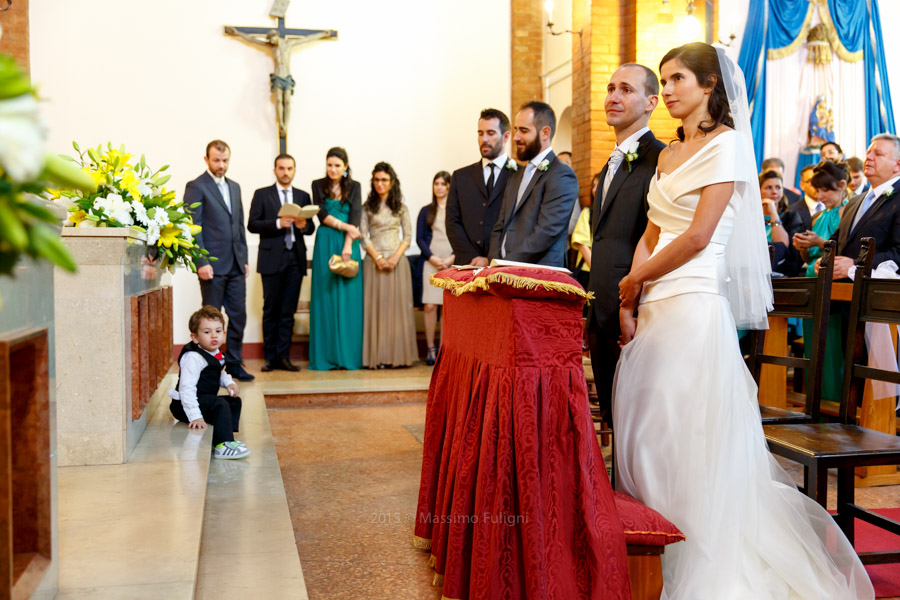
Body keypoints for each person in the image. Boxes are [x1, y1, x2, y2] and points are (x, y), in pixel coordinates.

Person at [614, 42, 873, 598]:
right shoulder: (664, 156)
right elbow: (652, 232)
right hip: (654, 308)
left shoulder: (728, 146)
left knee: (683, 434)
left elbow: (698, 235)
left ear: (709, 86)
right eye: (664, 79)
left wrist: (635, 281)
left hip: (692, 307)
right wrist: (630, 301)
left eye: (678, 78)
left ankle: (696, 554)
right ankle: (652, 553)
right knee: (646, 436)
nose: (669, 89)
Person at [586, 63, 665, 418]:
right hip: (602, 300)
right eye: (610, 88)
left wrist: (632, 303)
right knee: (612, 410)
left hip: (636, 304)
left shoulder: (659, 158)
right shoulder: (610, 162)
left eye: (626, 90)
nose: (613, 97)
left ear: (652, 102)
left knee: (638, 415)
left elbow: (657, 235)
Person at [184, 140, 254, 381]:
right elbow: (192, 227)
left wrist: (243, 258)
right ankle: (210, 366)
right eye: (216, 160)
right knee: (211, 319)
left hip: (235, 264)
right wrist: (201, 261)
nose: (221, 165)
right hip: (211, 265)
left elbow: (239, 226)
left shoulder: (235, 187)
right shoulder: (196, 186)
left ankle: (234, 363)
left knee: (238, 316)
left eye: (225, 161)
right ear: (206, 160)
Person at [247, 153, 315, 372]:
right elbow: (252, 224)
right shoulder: (262, 194)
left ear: (294, 170)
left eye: (289, 168)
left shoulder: (303, 196)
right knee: (271, 310)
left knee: (288, 311)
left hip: (295, 259)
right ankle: (270, 358)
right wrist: (278, 223)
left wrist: (304, 225)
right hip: (271, 258)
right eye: (282, 168)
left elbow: (311, 228)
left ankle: (284, 357)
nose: (286, 172)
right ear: (275, 170)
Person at [488, 101, 578, 267]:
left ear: (545, 133)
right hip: (502, 272)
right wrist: (494, 261)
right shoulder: (516, 176)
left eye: (524, 130)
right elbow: (499, 226)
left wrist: (507, 264)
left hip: (538, 273)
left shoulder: (561, 174)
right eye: (515, 130)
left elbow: (546, 231)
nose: (515, 137)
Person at [793, 161, 852, 403]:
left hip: (833, 285)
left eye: (826, 190)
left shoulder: (846, 213)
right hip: (812, 282)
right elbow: (809, 258)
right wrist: (802, 248)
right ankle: (815, 401)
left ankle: (833, 401)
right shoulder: (817, 216)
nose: (821, 195)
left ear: (842, 186)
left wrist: (819, 242)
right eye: (818, 190)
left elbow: (844, 249)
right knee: (814, 347)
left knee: (831, 346)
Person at [168, 306, 250, 460]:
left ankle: (227, 439)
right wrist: (195, 416)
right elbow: (187, 389)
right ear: (195, 338)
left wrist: (229, 383)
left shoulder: (215, 352)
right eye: (207, 332)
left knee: (234, 401)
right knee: (219, 405)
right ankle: (222, 445)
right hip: (184, 405)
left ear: (224, 334)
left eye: (218, 331)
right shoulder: (193, 358)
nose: (214, 335)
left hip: (202, 399)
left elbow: (220, 372)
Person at [308, 147, 364, 371]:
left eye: (337, 165)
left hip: (349, 242)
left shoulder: (355, 186)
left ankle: (349, 356)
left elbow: (356, 214)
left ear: (345, 167)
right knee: (325, 296)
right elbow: (320, 214)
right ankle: (326, 356)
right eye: (329, 165)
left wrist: (349, 242)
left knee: (349, 298)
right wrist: (345, 226)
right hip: (326, 240)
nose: (333, 169)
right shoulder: (317, 184)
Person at [224, 26, 334, 137]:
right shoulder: (272, 47)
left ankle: (285, 125)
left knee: (287, 101)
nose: (271, 41)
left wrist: (323, 34)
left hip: (286, 77)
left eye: (272, 39)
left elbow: (307, 39)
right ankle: (280, 123)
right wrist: (237, 33)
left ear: (276, 36)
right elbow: (252, 40)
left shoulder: (289, 44)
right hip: (277, 77)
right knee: (278, 99)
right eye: (269, 40)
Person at [360, 162, 417, 368]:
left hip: (397, 262)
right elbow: (363, 237)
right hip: (373, 262)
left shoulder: (401, 208)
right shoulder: (367, 207)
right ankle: (377, 357)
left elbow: (408, 236)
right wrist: (378, 258)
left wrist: (394, 258)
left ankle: (397, 357)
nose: (380, 184)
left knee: (396, 310)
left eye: (384, 180)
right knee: (375, 309)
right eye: (376, 180)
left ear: (392, 182)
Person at [821, 133, 900, 280]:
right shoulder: (854, 201)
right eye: (868, 153)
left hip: (876, 295)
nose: (869, 158)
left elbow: (898, 253)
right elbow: (837, 241)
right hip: (839, 292)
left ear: (898, 165)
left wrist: (855, 265)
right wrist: (826, 260)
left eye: (878, 154)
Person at [446, 109, 513, 267]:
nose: (484, 139)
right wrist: (473, 257)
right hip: (468, 264)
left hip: (504, 266)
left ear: (506, 136)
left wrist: (491, 259)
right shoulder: (460, 176)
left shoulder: (518, 175)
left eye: (491, 133)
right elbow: (452, 222)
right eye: (480, 133)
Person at [416, 171, 454, 365]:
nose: (439, 187)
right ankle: (431, 348)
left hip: (451, 263)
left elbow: (464, 238)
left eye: (443, 184)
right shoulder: (426, 211)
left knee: (448, 308)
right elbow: (420, 238)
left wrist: (450, 259)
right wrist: (432, 258)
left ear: (449, 186)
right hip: (430, 263)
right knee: (430, 306)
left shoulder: (457, 210)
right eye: (436, 183)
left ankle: (444, 349)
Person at [759, 169, 802, 276]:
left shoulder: (791, 216)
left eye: (778, 187)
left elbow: (782, 245)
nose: (774, 191)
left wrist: (773, 212)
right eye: (769, 188)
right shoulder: (750, 217)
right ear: (758, 190)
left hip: (781, 272)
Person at [570, 172, 601, 289]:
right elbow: (581, 244)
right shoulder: (587, 213)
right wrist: (597, 270)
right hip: (587, 270)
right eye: (593, 186)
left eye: (598, 185)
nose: (594, 189)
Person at [785, 164, 823, 233]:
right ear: (802, 185)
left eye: (819, 180)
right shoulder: (792, 211)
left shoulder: (832, 208)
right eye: (811, 181)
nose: (817, 184)